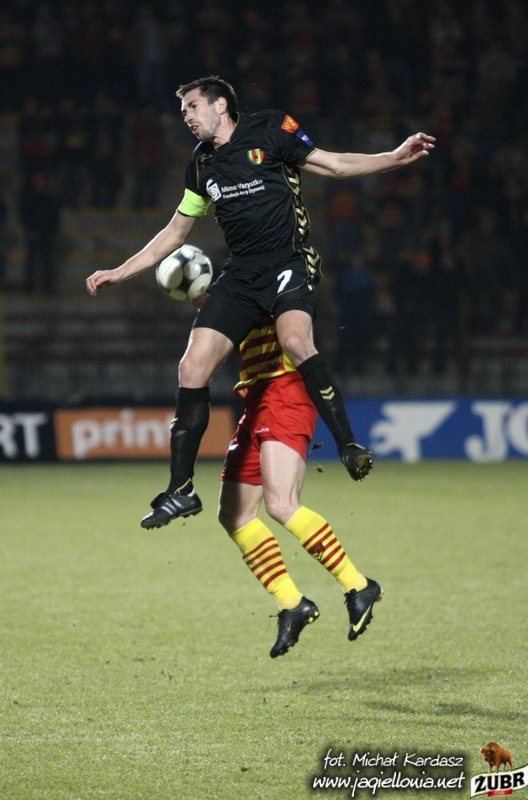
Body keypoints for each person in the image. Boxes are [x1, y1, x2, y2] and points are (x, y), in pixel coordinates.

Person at [86, 76, 435, 526]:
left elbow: (332, 165)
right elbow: (176, 232)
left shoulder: (271, 128)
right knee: (192, 367)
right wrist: (120, 271)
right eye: (184, 110)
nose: (186, 117)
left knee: (295, 342)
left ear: (221, 105)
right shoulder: (201, 164)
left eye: (192, 107)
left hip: (289, 260)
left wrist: (392, 158)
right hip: (242, 274)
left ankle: (349, 445)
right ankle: (180, 489)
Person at [218, 316, 382, 658]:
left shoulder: (279, 286)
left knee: (281, 503)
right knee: (234, 515)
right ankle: (292, 604)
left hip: (285, 389)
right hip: (255, 395)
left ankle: (358, 585)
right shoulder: (234, 289)